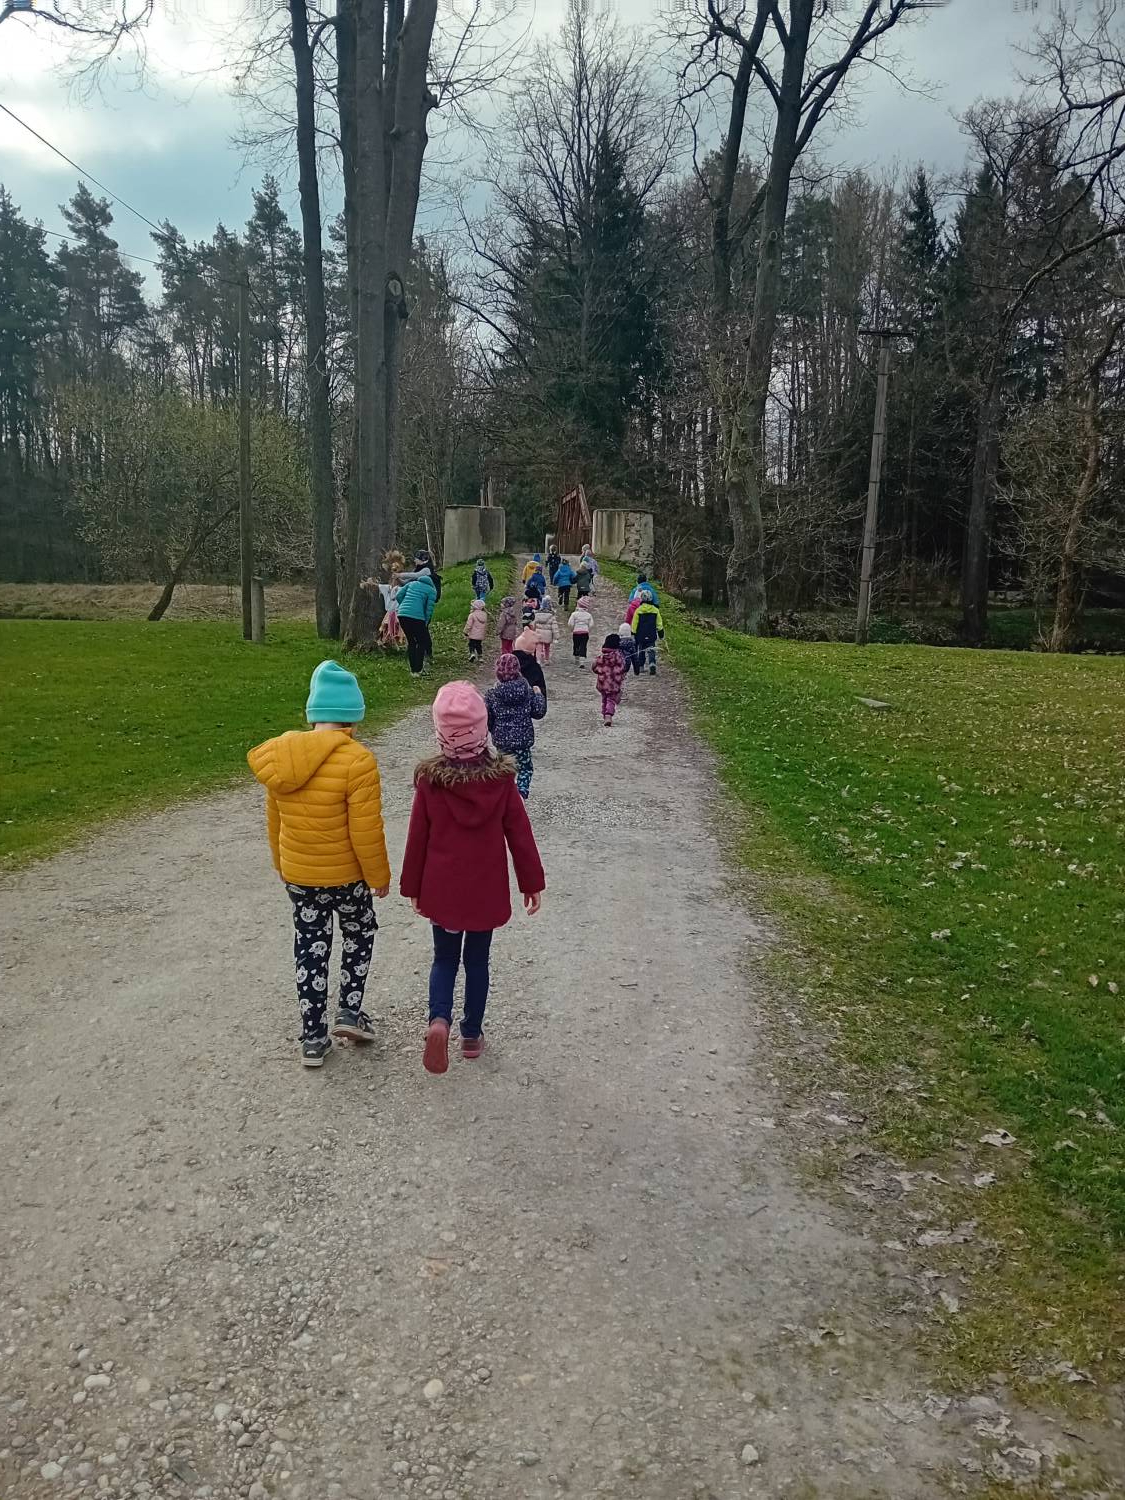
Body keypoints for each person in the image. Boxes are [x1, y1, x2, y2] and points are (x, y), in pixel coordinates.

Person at [247, 661, 391, 1068]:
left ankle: (313, 1036)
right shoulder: (358, 760)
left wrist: (281, 863)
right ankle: (349, 1010)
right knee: (358, 933)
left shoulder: (280, 756)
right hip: (347, 877)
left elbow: (274, 820)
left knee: (310, 947)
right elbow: (366, 829)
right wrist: (378, 876)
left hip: (300, 876)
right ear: (352, 718)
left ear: (313, 714)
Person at [401, 681, 545, 1073]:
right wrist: (531, 882)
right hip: (484, 892)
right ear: (484, 730)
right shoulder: (501, 782)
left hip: (443, 891)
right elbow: (520, 835)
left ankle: (439, 1020)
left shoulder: (430, 782)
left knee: (444, 958)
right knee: (477, 961)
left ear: (440, 733)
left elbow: (417, 837)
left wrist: (413, 886)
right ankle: (471, 1034)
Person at [486, 652, 547, 799]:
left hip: (502, 740)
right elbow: (538, 712)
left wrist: (493, 729)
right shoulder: (526, 690)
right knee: (525, 768)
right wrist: (539, 695)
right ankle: (521, 792)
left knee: (503, 769)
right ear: (518, 669)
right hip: (523, 740)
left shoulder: (492, 694)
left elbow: (488, 717)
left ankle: (504, 795)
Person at [396, 569, 438, 677]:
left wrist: (403, 606)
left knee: (411, 641)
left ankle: (412, 670)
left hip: (402, 615)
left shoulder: (412, 584)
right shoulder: (432, 591)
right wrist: (426, 621)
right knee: (421, 642)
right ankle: (418, 670)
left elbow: (398, 596)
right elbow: (429, 609)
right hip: (418, 617)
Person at [593, 633, 628, 727]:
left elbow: (595, 668)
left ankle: (604, 714)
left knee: (604, 699)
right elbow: (623, 668)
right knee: (611, 699)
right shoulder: (618, 656)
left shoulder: (601, 656)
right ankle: (608, 715)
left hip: (602, 682)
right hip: (613, 683)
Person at [632, 589, 664, 675]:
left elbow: (634, 623)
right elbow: (659, 623)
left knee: (641, 650)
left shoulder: (638, 610)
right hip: (651, 634)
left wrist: (633, 633)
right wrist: (661, 633)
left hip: (640, 634)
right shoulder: (655, 610)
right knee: (651, 650)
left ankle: (641, 666)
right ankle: (652, 663)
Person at [568, 596, 594, 667]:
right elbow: (591, 624)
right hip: (585, 632)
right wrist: (588, 629)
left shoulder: (574, 614)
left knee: (576, 645)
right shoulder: (588, 615)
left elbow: (570, 623)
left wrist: (572, 628)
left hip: (576, 632)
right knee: (583, 646)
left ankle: (576, 659)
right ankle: (582, 661)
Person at [533, 596, 558, 664]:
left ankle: (538, 660)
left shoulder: (537, 614)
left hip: (538, 634)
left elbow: (533, 624)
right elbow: (554, 627)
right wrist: (556, 636)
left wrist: (533, 632)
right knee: (547, 648)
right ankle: (547, 659)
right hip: (548, 635)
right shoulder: (551, 616)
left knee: (538, 648)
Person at [463, 597, 488, 665]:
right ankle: (480, 657)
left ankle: (472, 654)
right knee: (479, 645)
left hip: (473, 634)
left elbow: (469, 625)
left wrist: (465, 631)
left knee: (471, 644)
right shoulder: (485, 615)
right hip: (481, 634)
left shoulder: (472, 615)